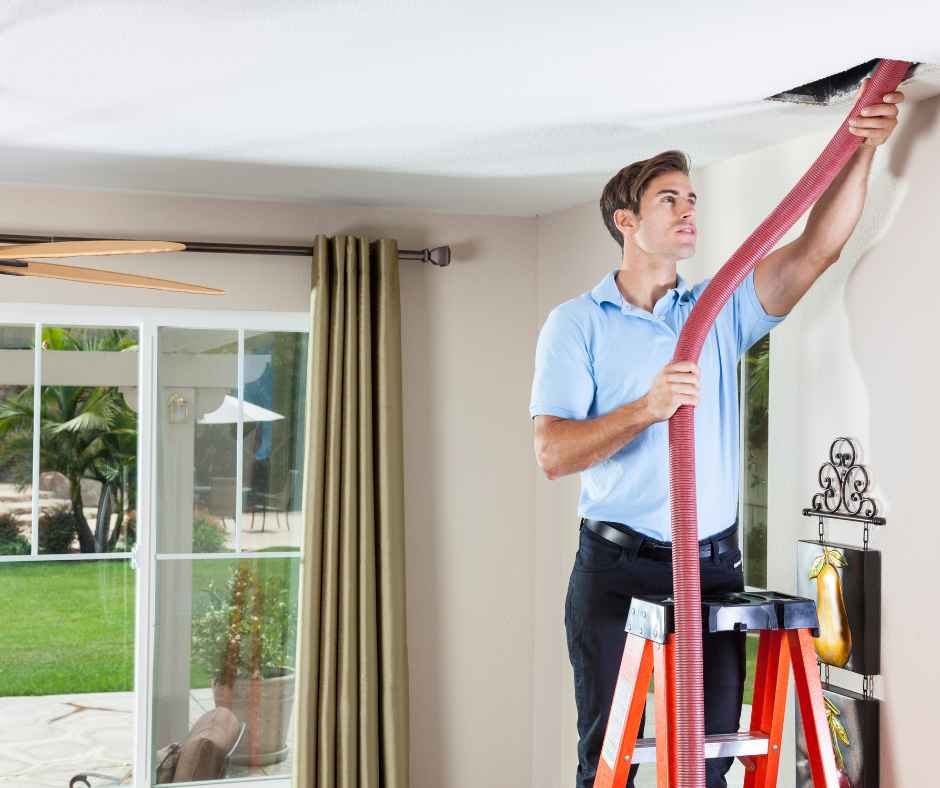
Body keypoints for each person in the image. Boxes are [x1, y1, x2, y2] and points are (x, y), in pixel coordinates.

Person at [529, 79, 904, 788]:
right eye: (669, 199)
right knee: (609, 760)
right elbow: (552, 454)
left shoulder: (719, 308)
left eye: (691, 198)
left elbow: (815, 249)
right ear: (624, 221)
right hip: (617, 572)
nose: (688, 211)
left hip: (712, 570)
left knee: (716, 758)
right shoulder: (578, 323)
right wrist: (647, 409)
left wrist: (864, 149)